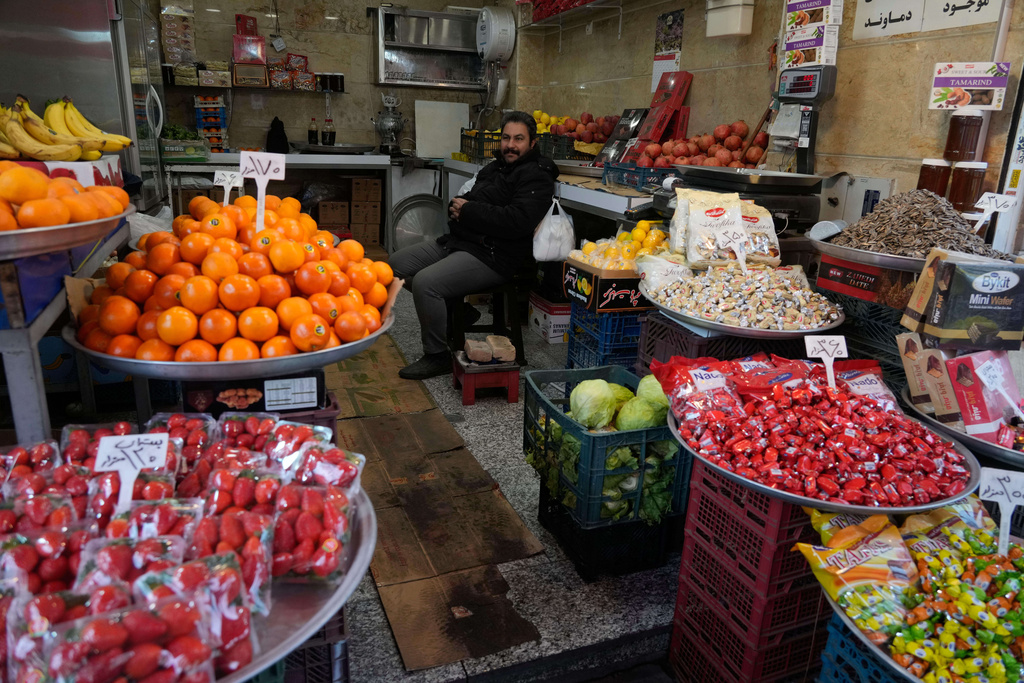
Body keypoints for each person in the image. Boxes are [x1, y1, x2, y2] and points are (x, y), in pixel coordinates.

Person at [389, 110, 558, 380]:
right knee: (394, 267)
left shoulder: (537, 176)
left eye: (518, 139)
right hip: (462, 242)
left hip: (494, 255)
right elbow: (463, 200)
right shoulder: (494, 168)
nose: (510, 145)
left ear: (532, 143)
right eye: (505, 138)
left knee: (425, 283)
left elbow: (517, 221)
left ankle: (437, 355)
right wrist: (460, 209)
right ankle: (458, 311)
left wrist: (468, 212)